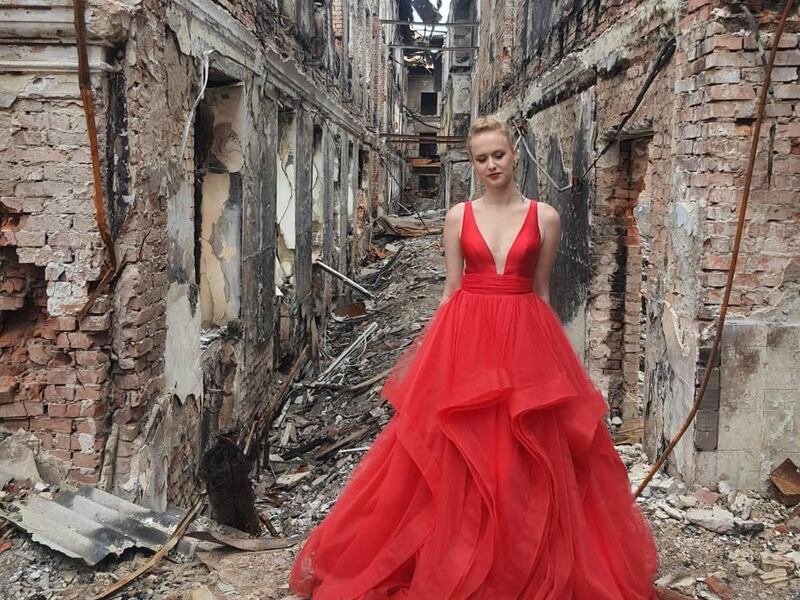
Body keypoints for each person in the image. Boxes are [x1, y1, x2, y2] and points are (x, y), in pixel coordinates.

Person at [289, 115, 659, 599]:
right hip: (467, 337)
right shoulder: (458, 216)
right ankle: (456, 555)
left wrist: (556, 363)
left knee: (525, 456)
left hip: (526, 334)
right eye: (482, 158)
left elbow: (542, 292)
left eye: (498, 155)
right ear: (474, 164)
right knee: (459, 453)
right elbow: (450, 290)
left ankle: (517, 560)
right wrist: (432, 364)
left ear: (514, 154)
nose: (491, 165)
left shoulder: (545, 216)